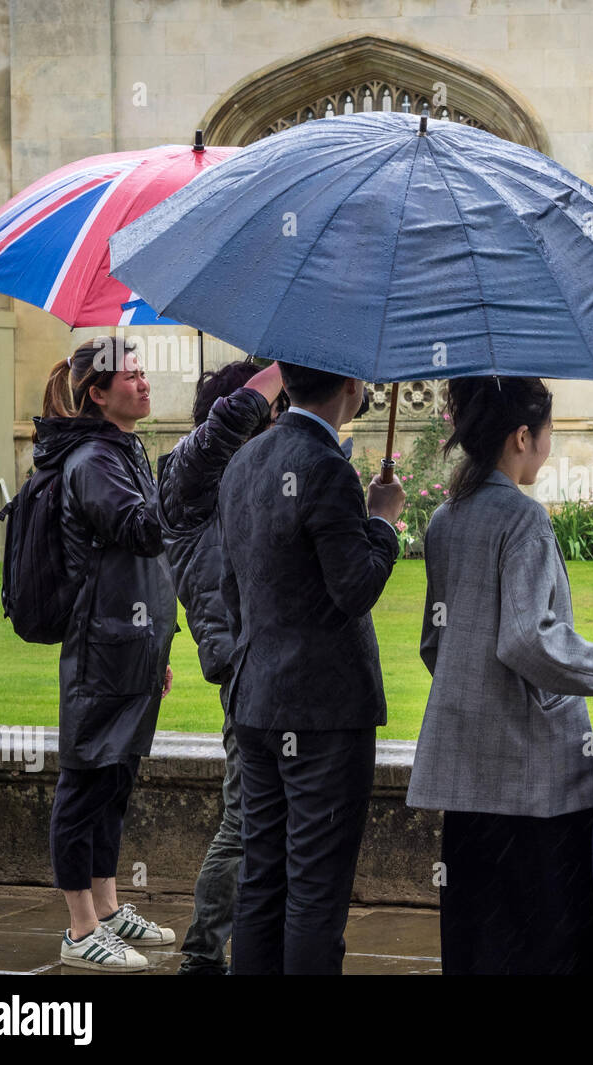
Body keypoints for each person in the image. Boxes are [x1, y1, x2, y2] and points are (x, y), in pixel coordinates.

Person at [407, 376, 593, 974]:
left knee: (480, 945)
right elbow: (531, 641)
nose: (549, 444)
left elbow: (436, 643)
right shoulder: (523, 520)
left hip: (468, 781)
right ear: (522, 436)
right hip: (539, 787)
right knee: (558, 950)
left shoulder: (444, 520)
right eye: (549, 431)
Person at [218, 361, 404, 974]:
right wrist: (382, 521)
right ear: (351, 386)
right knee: (317, 890)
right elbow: (354, 588)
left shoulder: (244, 459)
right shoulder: (326, 467)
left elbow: (232, 588)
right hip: (320, 710)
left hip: (256, 699)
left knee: (263, 875)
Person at [34, 337, 179, 971]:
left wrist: (157, 648)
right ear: (98, 392)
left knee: (114, 781)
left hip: (133, 648)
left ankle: (108, 906)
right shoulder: (94, 459)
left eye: (145, 372)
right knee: (86, 781)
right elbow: (143, 530)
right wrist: (194, 472)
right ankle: (79, 928)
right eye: (131, 376)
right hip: (101, 651)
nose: (144, 383)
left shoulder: (124, 451)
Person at [156, 358, 284, 975]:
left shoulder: (238, 482)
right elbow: (232, 421)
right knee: (244, 818)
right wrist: (288, 359)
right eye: (270, 413)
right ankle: (203, 956)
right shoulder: (189, 478)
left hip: (267, 661)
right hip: (243, 665)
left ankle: (238, 952)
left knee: (261, 816)